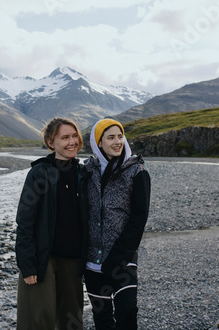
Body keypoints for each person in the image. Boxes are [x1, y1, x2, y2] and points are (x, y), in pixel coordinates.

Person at [15, 117, 88, 330]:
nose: (72, 142)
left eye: (75, 136)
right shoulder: (39, 173)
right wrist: (27, 264)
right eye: (64, 137)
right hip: (43, 259)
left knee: (72, 320)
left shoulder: (83, 173)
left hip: (73, 261)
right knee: (38, 320)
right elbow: (25, 221)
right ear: (50, 142)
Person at [83, 118, 151, 330]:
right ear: (98, 142)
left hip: (123, 259)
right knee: (102, 319)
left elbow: (139, 218)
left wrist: (119, 256)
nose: (117, 142)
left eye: (120, 136)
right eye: (110, 137)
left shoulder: (137, 172)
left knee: (127, 312)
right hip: (92, 260)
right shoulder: (87, 171)